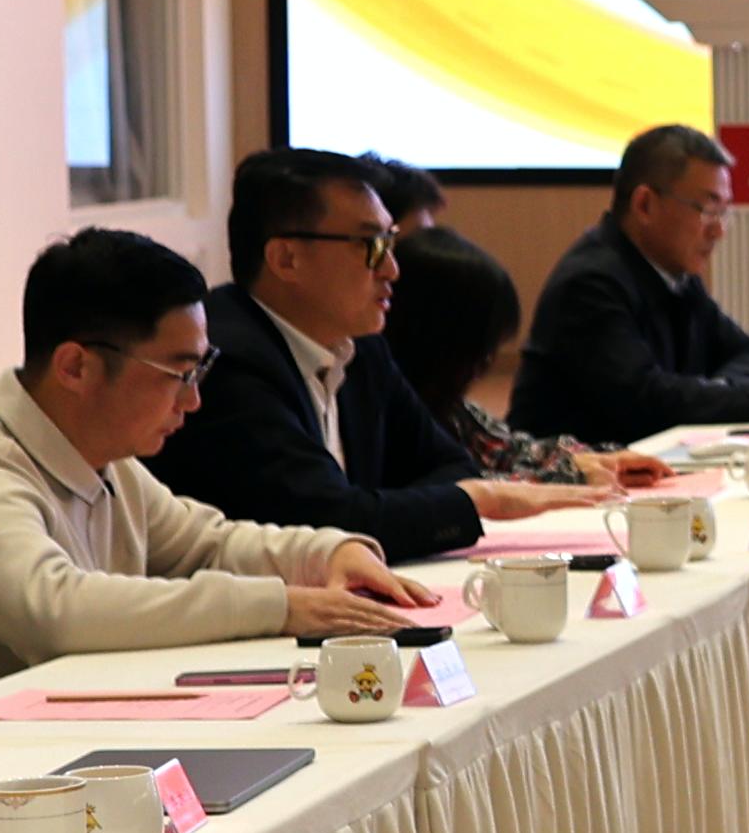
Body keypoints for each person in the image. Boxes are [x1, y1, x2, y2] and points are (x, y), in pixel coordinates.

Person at [0, 229, 445, 712]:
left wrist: (327, 553)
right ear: (76, 367)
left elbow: (209, 542)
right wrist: (281, 606)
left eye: (201, 369)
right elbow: (59, 611)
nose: (194, 401)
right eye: (179, 373)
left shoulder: (106, 461)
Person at [158, 150, 618, 563]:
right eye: (371, 246)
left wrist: (380, 510)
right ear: (286, 259)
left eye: (391, 242)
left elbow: (448, 464)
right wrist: (467, 501)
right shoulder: (229, 364)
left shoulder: (361, 347)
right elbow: (327, 526)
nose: (392, 269)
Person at [516, 125, 749, 446]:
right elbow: (647, 405)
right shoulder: (590, 284)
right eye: (706, 209)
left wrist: (711, 394)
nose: (718, 231)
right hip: (564, 482)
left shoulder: (677, 278)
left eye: (724, 213)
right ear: (644, 205)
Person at [388, 222, 617, 485]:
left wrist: (598, 459)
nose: (486, 362)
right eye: (478, 348)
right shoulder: (394, 415)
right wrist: (576, 473)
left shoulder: (450, 406)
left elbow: (508, 449)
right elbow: (469, 491)